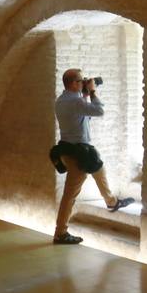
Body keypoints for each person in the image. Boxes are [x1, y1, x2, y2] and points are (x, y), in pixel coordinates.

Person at [49, 68, 135, 244]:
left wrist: (85, 95)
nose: (84, 83)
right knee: (70, 195)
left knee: (98, 168)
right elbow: (98, 111)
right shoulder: (74, 101)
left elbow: (82, 117)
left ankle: (111, 202)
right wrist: (93, 92)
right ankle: (60, 233)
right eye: (81, 81)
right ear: (73, 83)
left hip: (69, 148)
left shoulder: (62, 100)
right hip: (77, 153)